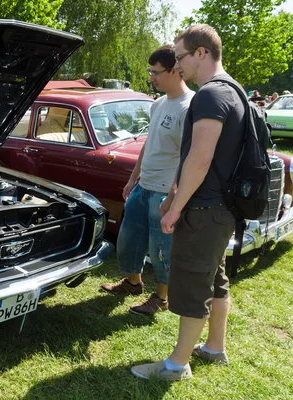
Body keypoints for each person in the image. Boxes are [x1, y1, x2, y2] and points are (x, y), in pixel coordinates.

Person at [131, 24, 245, 380]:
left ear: (201, 53)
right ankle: (214, 347)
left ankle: (176, 366)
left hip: (205, 207)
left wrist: (177, 206)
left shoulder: (210, 95)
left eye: (180, 57)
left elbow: (200, 156)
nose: (177, 66)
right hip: (223, 206)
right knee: (216, 278)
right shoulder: (235, 90)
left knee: (194, 282)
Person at [100, 45, 194, 315]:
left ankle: (162, 298)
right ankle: (133, 283)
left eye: (156, 72)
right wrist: (133, 178)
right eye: (150, 71)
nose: (151, 77)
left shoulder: (189, 108)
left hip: (165, 192)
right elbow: (147, 144)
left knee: (161, 249)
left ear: (175, 70)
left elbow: (189, 157)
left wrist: (174, 197)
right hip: (144, 186)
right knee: (129, 239)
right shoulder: (159, 103)